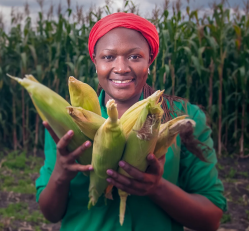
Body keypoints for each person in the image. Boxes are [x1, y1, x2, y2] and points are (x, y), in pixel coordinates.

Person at [35, 12, 227, 231]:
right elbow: (50, 213)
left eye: (135, 57)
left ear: (150, 60)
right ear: (95, 61)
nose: (122, 68)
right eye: (108, 57)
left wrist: (156, 188)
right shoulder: (69, 119)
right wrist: (61, 173)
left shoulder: (184, 117)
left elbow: (211, 218)